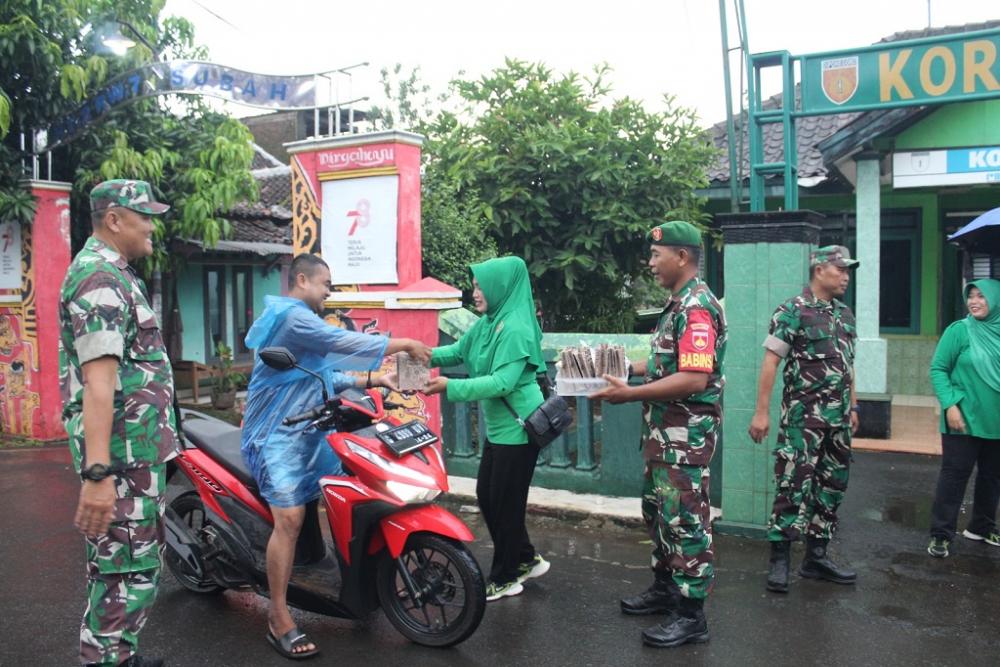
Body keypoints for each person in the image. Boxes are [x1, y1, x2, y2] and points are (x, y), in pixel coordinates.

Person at [240, 253, 431, 660]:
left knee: (347, 491)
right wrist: (403, 343)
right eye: (326, 284)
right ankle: (277, 616)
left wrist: (377, 378)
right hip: (275, 434)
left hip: (308, 429)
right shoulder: (294, 319)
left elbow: (323, 374)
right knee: (289, 520)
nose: (329, 292)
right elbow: (338, 342)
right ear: (303, 280)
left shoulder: (302, 322)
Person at [591, 220, 726, 649]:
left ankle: (691, 615)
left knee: (685, 519)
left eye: (656, 255)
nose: (651, 263)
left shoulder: (697, 308)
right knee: (659, 513)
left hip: (684, 438)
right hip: (663, 436)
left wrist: (631, 394)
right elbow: (668, 363)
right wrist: (624, 369)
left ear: (681, 257)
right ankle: (665, 588)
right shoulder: (677, 305)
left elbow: (693, 378)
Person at [59, 180, 176, 667]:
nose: (151, 224)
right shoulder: (100, 280)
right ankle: (106, 659)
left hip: (136, 457)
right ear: (113, 219)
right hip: (122, 465)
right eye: (143, 215)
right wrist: (99, 474)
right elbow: (98, 383)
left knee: (134, 568)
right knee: (123, 575)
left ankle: (119, 657)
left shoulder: (116, 274)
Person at [422, 256, 551, 602]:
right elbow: (456, 350)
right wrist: (421, 354)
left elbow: (501, 383)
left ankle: (506, 576)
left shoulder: (517, 328)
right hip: (500, 429)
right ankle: (525, 557)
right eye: (475, 285)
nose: (475, 292)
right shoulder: (488, 322)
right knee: (488, 496)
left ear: (500, 287)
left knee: (505, 504)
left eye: (480, 286)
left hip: (519, 429)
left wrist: (449, 387)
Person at [748, 245, 860, 594]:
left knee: (831, 488)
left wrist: (853, 407)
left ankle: (816, 557)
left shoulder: (845, 314)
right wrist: (761, 412)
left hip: (838, 422)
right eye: (840, 269)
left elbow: (847, 364)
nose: (845, 276)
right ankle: (780, 559)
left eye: (847, 270)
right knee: (791, 487)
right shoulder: (792, 311)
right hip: (803, 420)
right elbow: (770, 363)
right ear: (819, 268)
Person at [927, 279, 1000, 558]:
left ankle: (981, 526)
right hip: (963, 417)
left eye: (982, 296)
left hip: (996, 419)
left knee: (992, 477)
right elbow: (938, 369)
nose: (975, 301)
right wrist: (950, 405)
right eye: (971, 296)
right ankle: (941, 534)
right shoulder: (959, 331)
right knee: (955, 476)